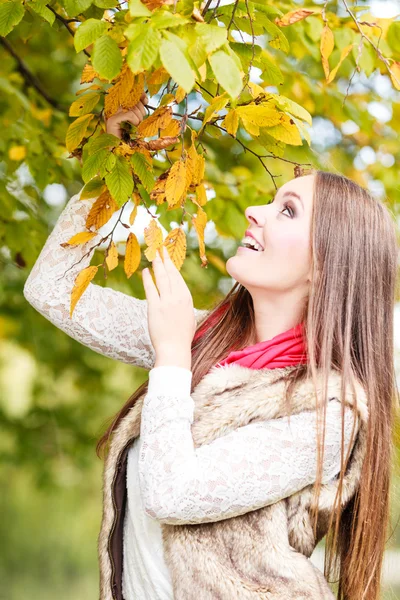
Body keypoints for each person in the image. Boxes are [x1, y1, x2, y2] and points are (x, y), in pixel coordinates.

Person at [23, 95, 399, 600]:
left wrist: (172, 357)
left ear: (326, 266)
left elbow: (174, 493)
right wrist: (116, 164)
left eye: (287, 210)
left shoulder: (329, 410)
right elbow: (50, 289)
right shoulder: (204, 339)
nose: (254, 211)